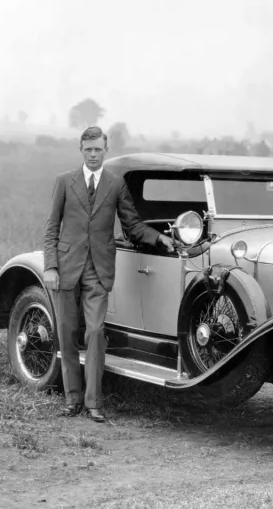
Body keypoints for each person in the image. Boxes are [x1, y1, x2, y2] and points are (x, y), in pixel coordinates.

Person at [43, 126, 174, 422]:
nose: (93, 155)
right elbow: (51, 228)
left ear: (106, 150)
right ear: (80, 149)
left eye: (98, 150)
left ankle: (93, 403)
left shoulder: (116, 185)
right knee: (66, 333)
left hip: (99, 271)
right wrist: (51, 266)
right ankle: (71, 399)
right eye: (88, 149)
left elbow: (133, 225)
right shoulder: (64, 182)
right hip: (66, 269)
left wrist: (159, 238)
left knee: (95, 332)